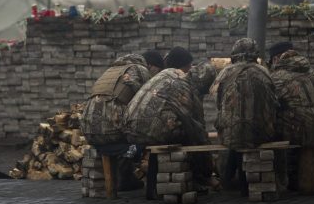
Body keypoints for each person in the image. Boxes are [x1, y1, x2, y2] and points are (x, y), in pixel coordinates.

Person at [210, 38, 278, 193]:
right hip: (259, 134)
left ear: (234, 54)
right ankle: (247, 182)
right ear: (255, 54)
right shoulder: (264, 72)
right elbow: (273, 103)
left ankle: (227, 180)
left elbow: (217, 102)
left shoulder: (224, 73)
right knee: (245, 135)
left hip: (230, 135)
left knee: (235, 135)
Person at [80, 53, 155, 191]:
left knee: (121, 139)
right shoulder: (139, 69)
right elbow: (148, 100)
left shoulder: (111, 71)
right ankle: (127, 178)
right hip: (112, 130)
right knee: (142, 138)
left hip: (88, 131)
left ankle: (121, 177)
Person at [269, 41, 314, 193]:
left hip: (302, 131)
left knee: (268, 132)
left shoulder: (278, 77)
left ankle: (280, 179)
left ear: (276, 59)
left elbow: (269, 104)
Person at [124, 48, 216, 147]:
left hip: (128, 132)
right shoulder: (182, 82)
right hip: (147, 135)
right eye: (189, 65)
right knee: (190, 132)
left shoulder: (162, 75)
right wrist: (205, 144)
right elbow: (190, 120)